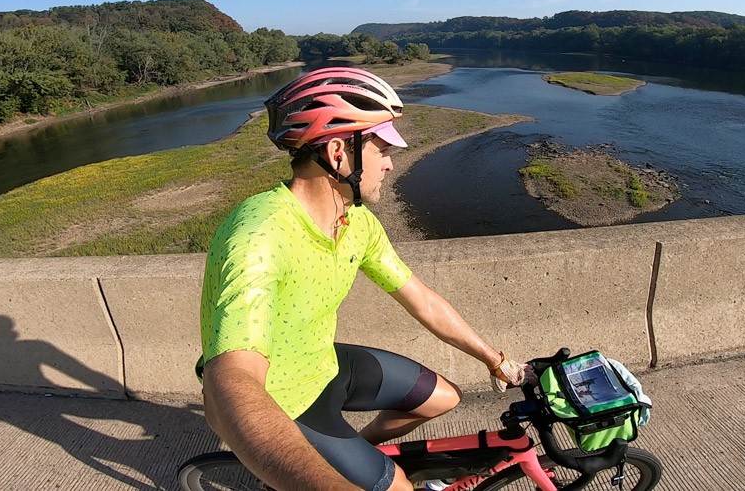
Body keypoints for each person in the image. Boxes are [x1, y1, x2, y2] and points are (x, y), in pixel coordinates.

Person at [197, 67, 533, 491]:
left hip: (322, 363)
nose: (392, 164)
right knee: (398, 489)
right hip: (281, 398)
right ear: (339, 153)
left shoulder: (355, 222)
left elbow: (422, 300)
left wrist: (495, 359)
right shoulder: (259, 235)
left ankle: (354, 454)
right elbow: (231, 379)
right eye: (383, 148)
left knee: (443, 398)